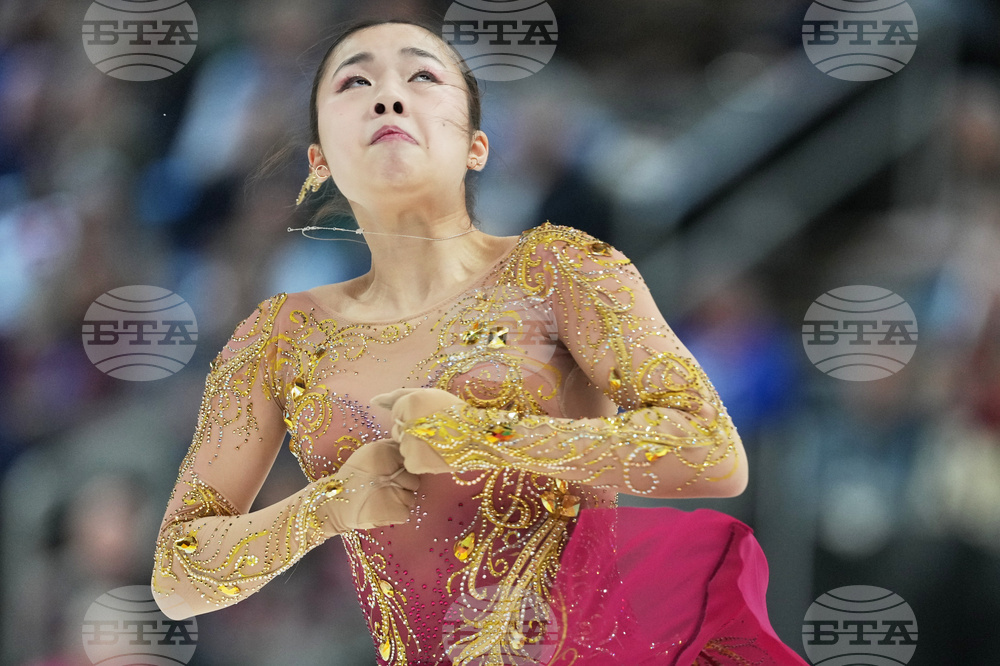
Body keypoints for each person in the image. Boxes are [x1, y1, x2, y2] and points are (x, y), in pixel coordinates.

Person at [151, 18, 809, 666]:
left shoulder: (562, 271)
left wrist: (486, 438)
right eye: (355, 83)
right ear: (322, 160)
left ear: (476, 146)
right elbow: (178, 580)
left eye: (421, 76)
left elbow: (712, 452)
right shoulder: (276, 337)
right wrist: (324, 508)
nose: (387, 96)